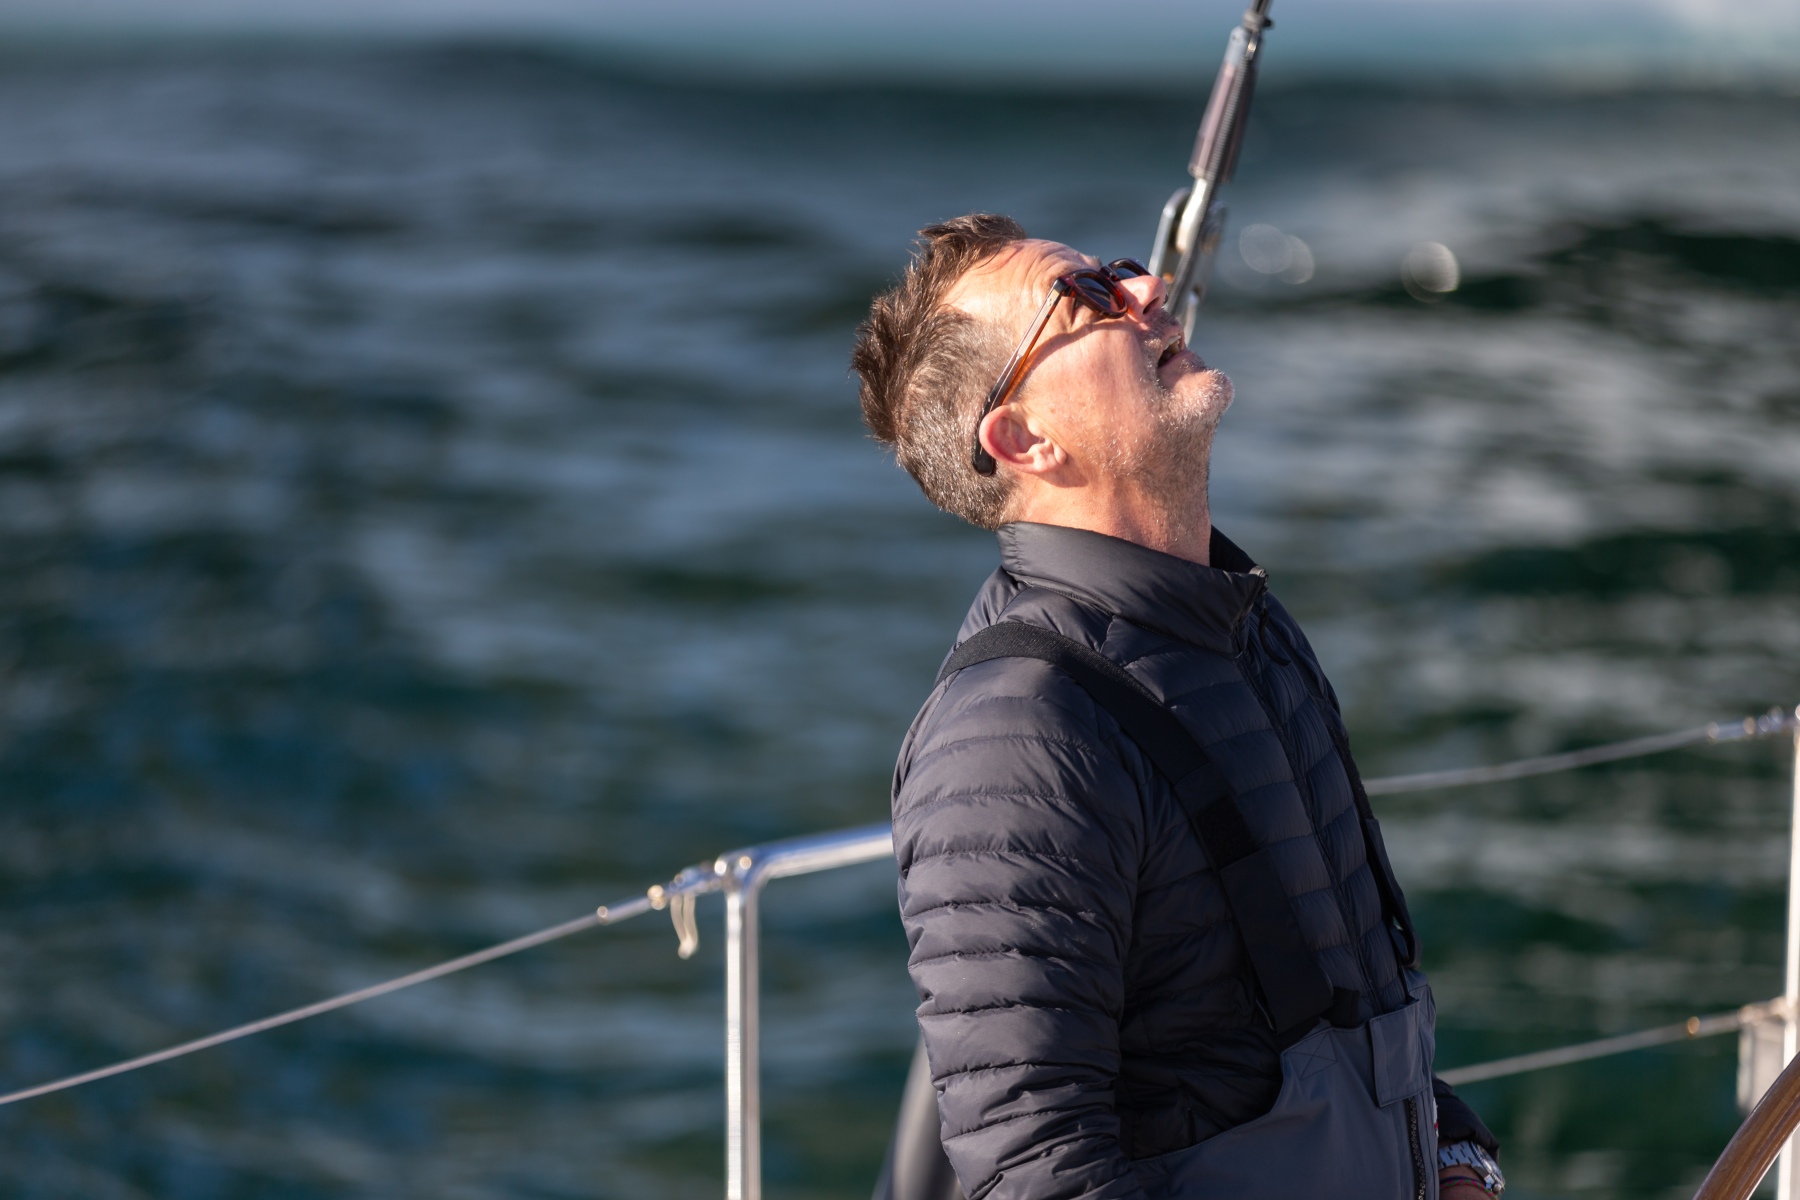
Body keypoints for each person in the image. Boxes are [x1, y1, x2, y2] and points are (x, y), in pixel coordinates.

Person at [851, 214, 1505, 1200]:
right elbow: (1038, 1174)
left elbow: (1352, 996)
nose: (1148, 289)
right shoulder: (1017, 736)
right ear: (1024, 438)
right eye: (1087, 298)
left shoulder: (1244, 625)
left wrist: (1455, 1158)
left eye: (1115, 270)